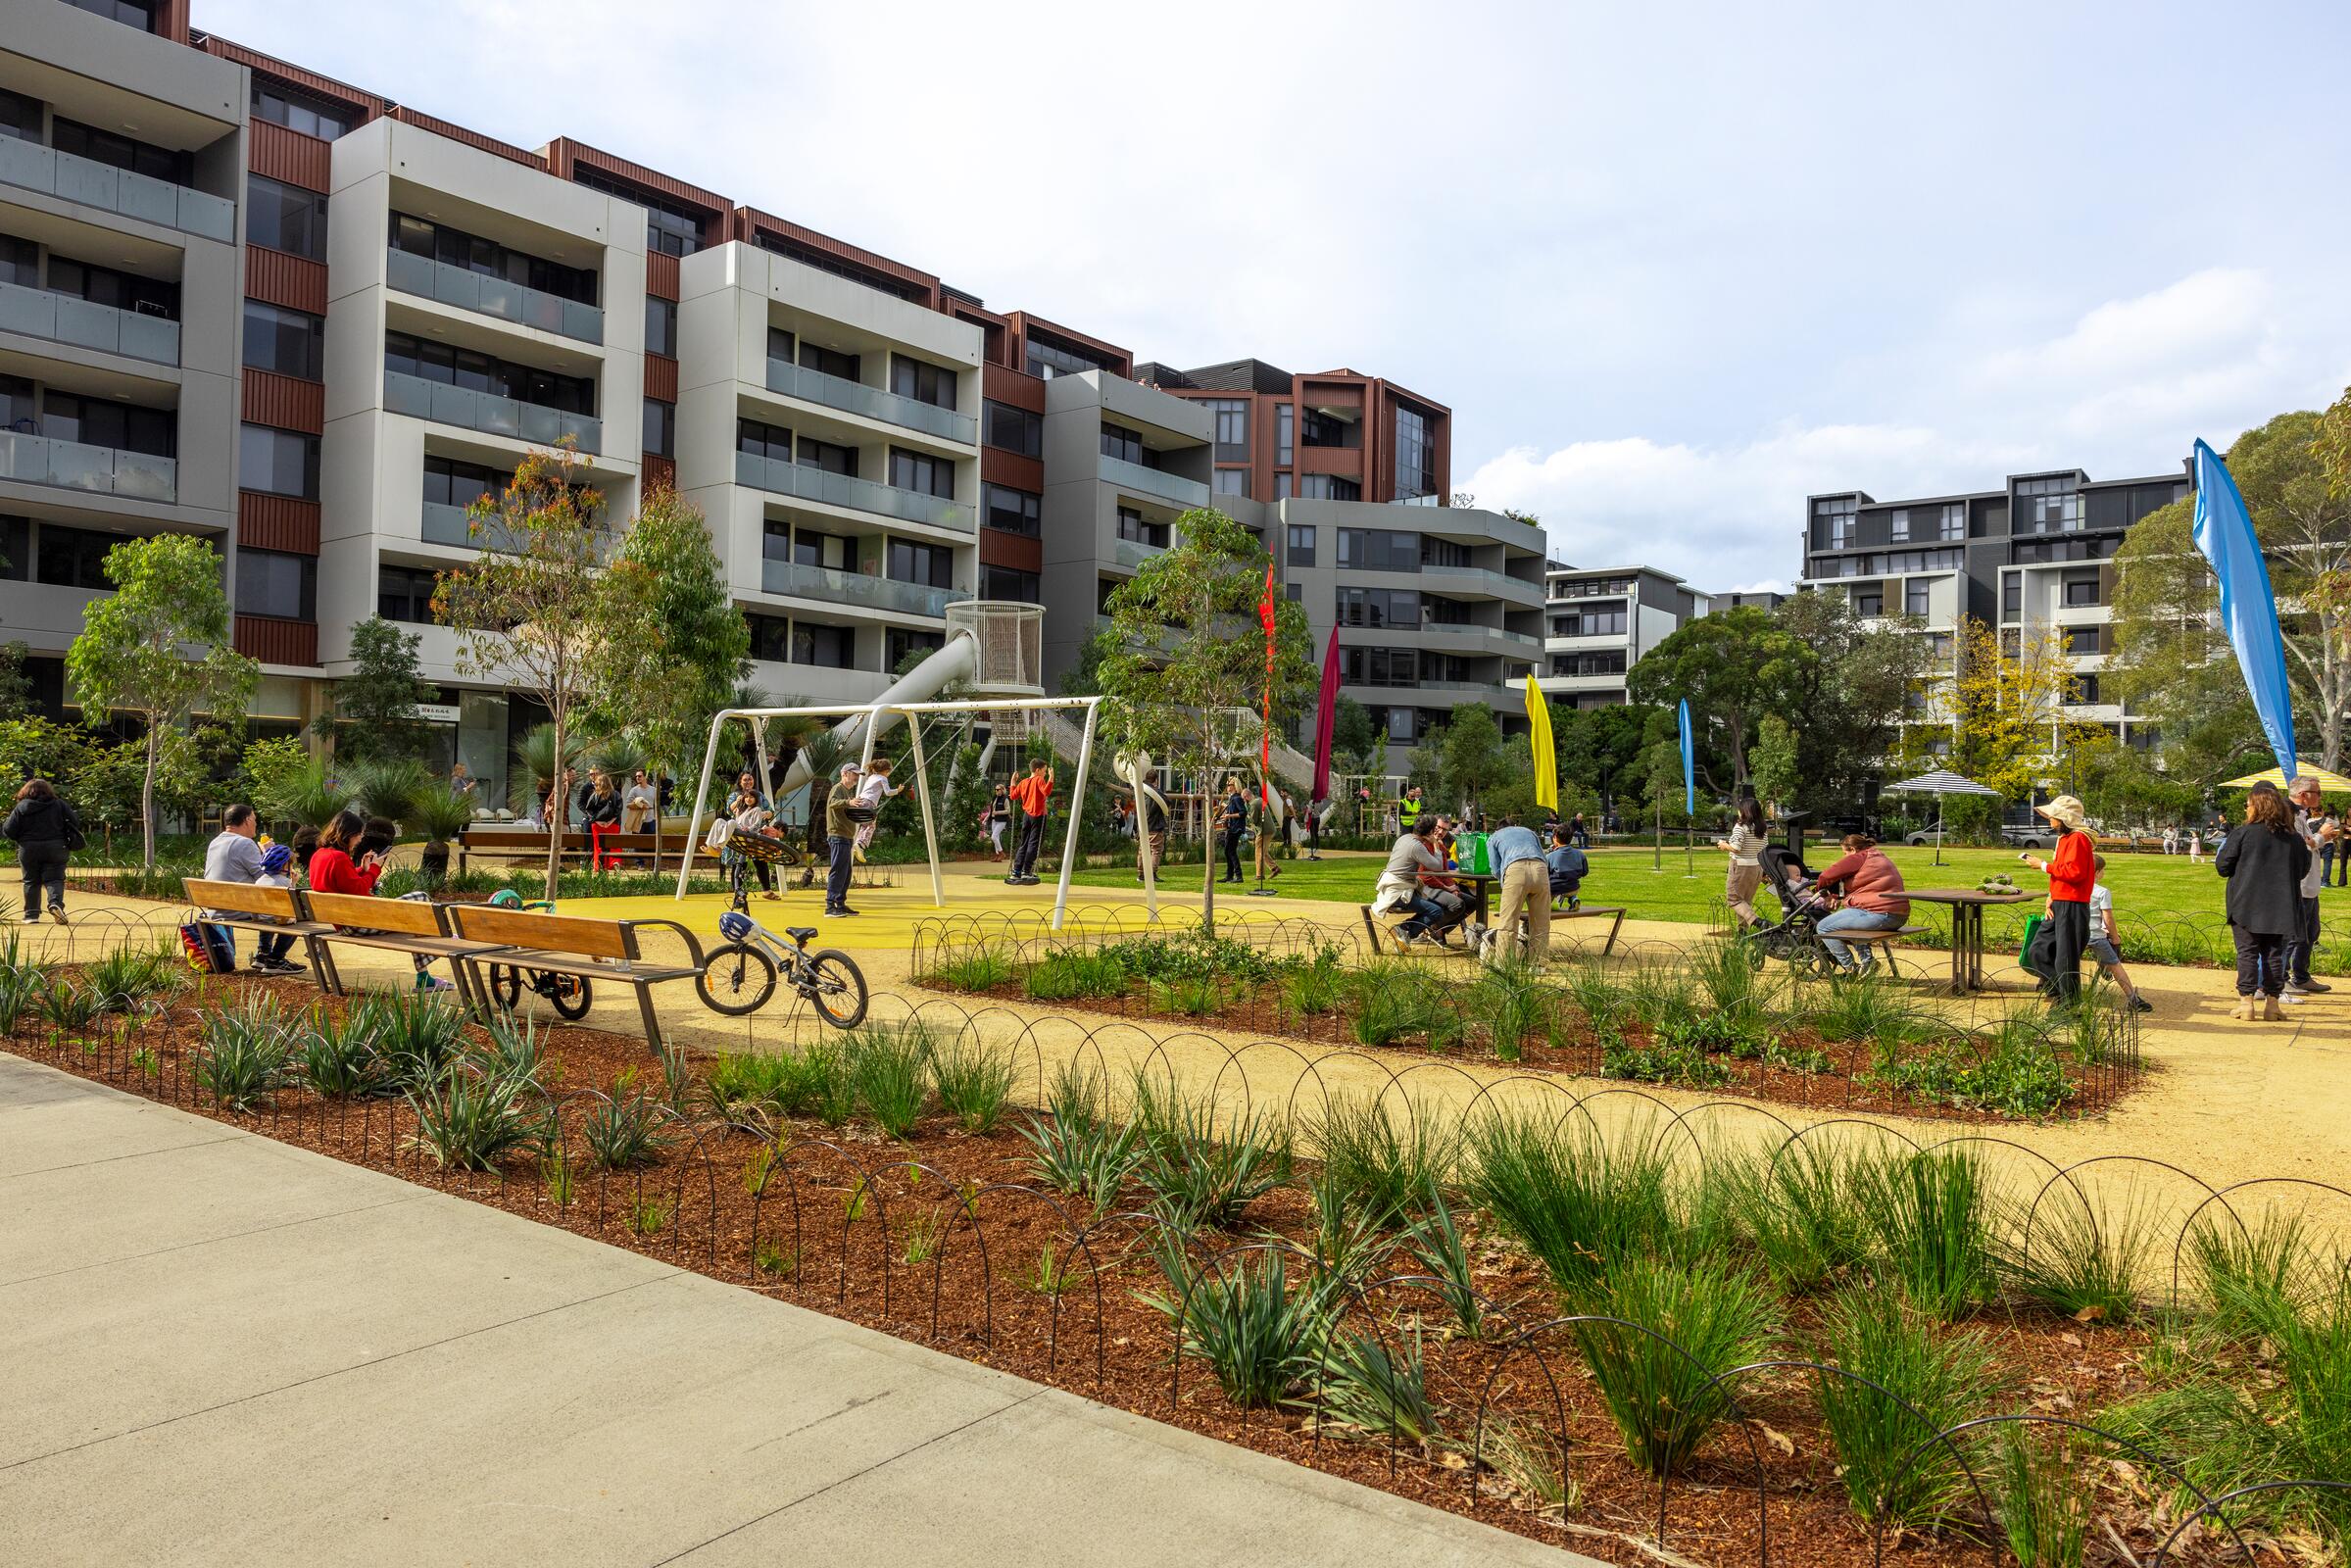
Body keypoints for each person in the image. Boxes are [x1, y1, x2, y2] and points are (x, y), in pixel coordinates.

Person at [310, 808, 453, 992]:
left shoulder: (319, 855)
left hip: (343, 920)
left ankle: (424, 976)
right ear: (348, 834)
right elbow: (360, 890)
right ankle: (442, 937)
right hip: (357, 924)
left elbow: (344, 885)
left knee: (415, 919)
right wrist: (375, 869)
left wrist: (362, 869)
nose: (360, 839)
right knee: (421, 898)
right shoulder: (339, 858)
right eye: (359, 835)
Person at [2217, 781, 2309, 1020]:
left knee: (2247, 952)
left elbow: (2223, 866)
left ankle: (2246, 1003)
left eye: (2247, 805)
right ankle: (2272, 1005)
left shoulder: (2243, 833)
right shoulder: (2294, 838)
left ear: (2257, 807)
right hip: (2282, 905)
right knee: (2274, 955)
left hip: (2246, 903)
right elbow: (2302, 870)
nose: (2246, 810)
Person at [203, 804, 300, 973]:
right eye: (254, 820)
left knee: (263, 903)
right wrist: (267, 853)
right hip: (236, 909)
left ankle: (263, 955)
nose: (256, 824)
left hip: (215, 908)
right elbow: (268, 880)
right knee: (277, 905)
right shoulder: (245, 843)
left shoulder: (215, 842)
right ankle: (274, 958)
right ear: (247, 820)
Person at [2018, 795, 2095, 1006]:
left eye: (2052, 816)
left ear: (2063, 818)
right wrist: (2052, 896)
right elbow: (2065, 874)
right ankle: (2062, 990)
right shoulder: (2066, 840)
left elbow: (2075, 872)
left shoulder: (2078, 839)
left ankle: (2069, 1003)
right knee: (2038, 951)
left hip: (2073, 904)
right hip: (2061, 901)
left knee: (2065, 958)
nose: (2049, 820)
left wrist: (2042, 865)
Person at [1813, 832, 1909, 974]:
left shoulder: (1859, 857)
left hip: (1880, 915)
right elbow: (1861, 884)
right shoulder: (1877, 856)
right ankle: (1867, 962)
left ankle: (1851, 967)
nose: (1844, 857)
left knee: (1823, 928)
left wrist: (1820, 891)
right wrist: (1835, 895)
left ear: (1852, 849)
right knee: (1849, 920)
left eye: (1845, 853)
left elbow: (1826, 876)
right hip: (1898, 915)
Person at [1372, 817, 1467, 947]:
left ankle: (1406, 930)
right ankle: (1405, 930)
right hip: (1398, 892)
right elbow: (1438, 867)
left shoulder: (1404, 838)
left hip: (1395, 887)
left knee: (1438, 907)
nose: (1438, 832)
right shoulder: (1417, 846)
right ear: (1429, 833)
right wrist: (1435, 844)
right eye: (1436, 829)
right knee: (1436, 911)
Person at [2084, 856, 2153, 1013]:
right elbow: (2108, 918)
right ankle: (2132, 998)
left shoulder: (2073, 887)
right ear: (2097, 872)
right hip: (2095, 935)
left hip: (2076, 935)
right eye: (2103, 871)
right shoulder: (2101, 892)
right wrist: (2115, 937)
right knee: (2115, 963)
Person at [3, 777, 75, 925]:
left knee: (31, 881)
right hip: (56, 847)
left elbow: (8, 830)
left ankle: (31, 915)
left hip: (29, 848)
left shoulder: (21, 807)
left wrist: (22, 838)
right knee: (55, 879)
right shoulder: (59, 805)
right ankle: (55, 904)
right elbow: (75, 821)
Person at [2285, 777, 2333, 997]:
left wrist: (2318, 838)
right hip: (2300, 885)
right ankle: (2281, 978)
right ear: (2304, 794)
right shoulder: (2291, 817)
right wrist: (2322, 837)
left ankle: (2301, 976)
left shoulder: (2302, 815)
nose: (2320, 796)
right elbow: (2300, 845)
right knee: (2294, 935)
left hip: (2311, 885)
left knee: (2311, 932)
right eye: (2317, 792)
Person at [1483, 819, 1551, 968]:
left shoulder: (1494, 837)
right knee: (1541, 922)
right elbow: (1544, 856)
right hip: (1540, 869)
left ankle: (1504, 964)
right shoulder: (1529, 832)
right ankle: (1538, 966)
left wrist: (1505, 883)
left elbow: (1495, 869)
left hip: (1516, 870)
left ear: (1498, 829)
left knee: (1508, 921)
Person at [721, 770, 779, 901]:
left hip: (755, 832)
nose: (748, 782)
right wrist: (739, 800)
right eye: (745, 780)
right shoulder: (735, 795)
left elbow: (770, 811)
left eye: (750, 779)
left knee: (760, 861)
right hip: (741, 832)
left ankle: (767, 890)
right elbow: (730, 809)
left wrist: (766, 814)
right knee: (739, 861)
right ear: (740, 782)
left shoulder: (758, 795)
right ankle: (738, 891)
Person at [1717, 797, 1768, 929]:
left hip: (1740, 866)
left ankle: (1757, 921)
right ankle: (1742, 931)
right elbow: (1764, 849)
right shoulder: (1762, 828)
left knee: (1734, 899)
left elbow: (1736, 848)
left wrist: (1724, 845)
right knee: (1746, 901)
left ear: (1744, 811)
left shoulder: (1741, 826)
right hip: (1757, 867)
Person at [1006, 759, 1054, 886]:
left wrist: (1013, 781)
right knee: (1034, 843)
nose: (1045, 773)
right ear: (1037, 770)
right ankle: (1026, 871)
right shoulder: (1039, 780)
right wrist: (1051, 778)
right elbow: (1046, 792)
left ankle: (1016, 871)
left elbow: (1012, 796)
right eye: (1044, 771)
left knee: (1024, 843)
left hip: (1027, 816)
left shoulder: (1023, 782)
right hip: (1038, 815)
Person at [824, 762, 859, 917]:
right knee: (838, 870)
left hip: (846, 836)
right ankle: (830, 906)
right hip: (838, 835)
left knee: (846, 872)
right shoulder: (838, 788)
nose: (857, 777)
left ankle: (840, 903)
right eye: (854, 774)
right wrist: (849, 802)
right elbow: (832, 803)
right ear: (844, 773)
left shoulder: (847, 791)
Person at [852, 757, 900, 862]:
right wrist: (898, 790)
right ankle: (860, 844)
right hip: (868, 803)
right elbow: (888, 792)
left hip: (860, 802)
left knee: (865, 825)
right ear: (886, 771)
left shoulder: (872, 777)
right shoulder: (883, 778)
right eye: (888, 772)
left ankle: (859, 846)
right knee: (871, 825)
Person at [1545, 822, 1589, 909]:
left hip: (1554, 889)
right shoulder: (1580, 854)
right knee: (1570, 890)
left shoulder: (1550, 856)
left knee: (1545, 899)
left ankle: (1554, 903)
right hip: (1573, 888)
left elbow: (1545, 875)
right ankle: (1573, 899)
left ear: (1555, 838)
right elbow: (1584, 872)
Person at [1217, 775, 1248, 884]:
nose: (1227, 787)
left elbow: (1243, 812)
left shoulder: (1237, 798)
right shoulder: (1233, 798)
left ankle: (1238, 876)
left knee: (1230, 851)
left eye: (1229, 785)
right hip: (1233, 827)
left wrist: (1229, 816)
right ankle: (1230, 875)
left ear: (1234, 786)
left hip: (1236, 828)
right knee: (1228, 851)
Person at [1135, 790, 1168, 883]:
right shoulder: (1156, 796)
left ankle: (1141, 874)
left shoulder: (1141, 795)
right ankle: (1152, 874)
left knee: (1142, 851)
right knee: (1156, 851)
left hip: (1143, 828)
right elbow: (1167, 802)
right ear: (1156, 780)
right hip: (1155, 828)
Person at [621, 769, 659, 834]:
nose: (637, 778)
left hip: (651, 821)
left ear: (645, 777)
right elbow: (628, 804)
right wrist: (641, 806)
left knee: (651, 842)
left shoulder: (653, 790)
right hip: (638, 822)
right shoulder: (634, 790)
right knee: (637, 843)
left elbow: (657, 805)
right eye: (636, 776)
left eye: (639, 776)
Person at [987, 783, 1011, 859]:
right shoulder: (994, 798)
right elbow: (991, 811)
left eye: (998, 789)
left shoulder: (1005, 798)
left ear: (1002, 790)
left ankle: (1001, 853)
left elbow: (1008, 811)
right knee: (996, 837)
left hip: (1002, 821)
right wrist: (986, 819)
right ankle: (997, 855)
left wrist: (997, 812)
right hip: (994, 820)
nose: (996, 791)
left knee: (993, 837)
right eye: (995, 789)